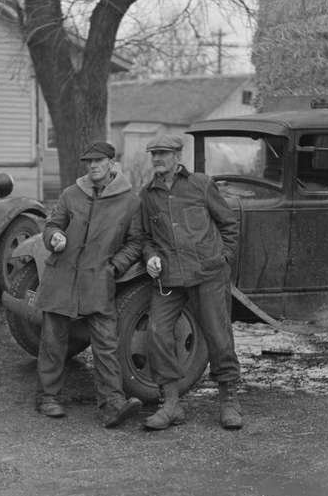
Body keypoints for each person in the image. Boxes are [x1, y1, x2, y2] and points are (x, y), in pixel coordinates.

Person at [35, 140, 143, 428]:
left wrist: (114, 266)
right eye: (89, 162)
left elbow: (136, 243)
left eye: (99, 161)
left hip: (98, 278)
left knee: (106, 343)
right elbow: (52, 224)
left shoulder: (130, 201)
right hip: (62, 275)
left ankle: (112, 404)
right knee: (53, 340)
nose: (93, 166)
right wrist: (54, 237)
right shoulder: (72, 194)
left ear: (112, 163)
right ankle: (48, 397)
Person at [140, 134, 242, 431]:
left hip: (208, 273)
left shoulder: (200, 184)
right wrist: (150, 256)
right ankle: (171, 403)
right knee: (157, 332)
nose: (157, 159)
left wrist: (225, 258)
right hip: (170, 278)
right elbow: (145, 237)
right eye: (153, 154)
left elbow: (228, 223)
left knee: (218, 334)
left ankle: (229, 400)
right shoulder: (148, 195)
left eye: (163, 153)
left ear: (177, 156)